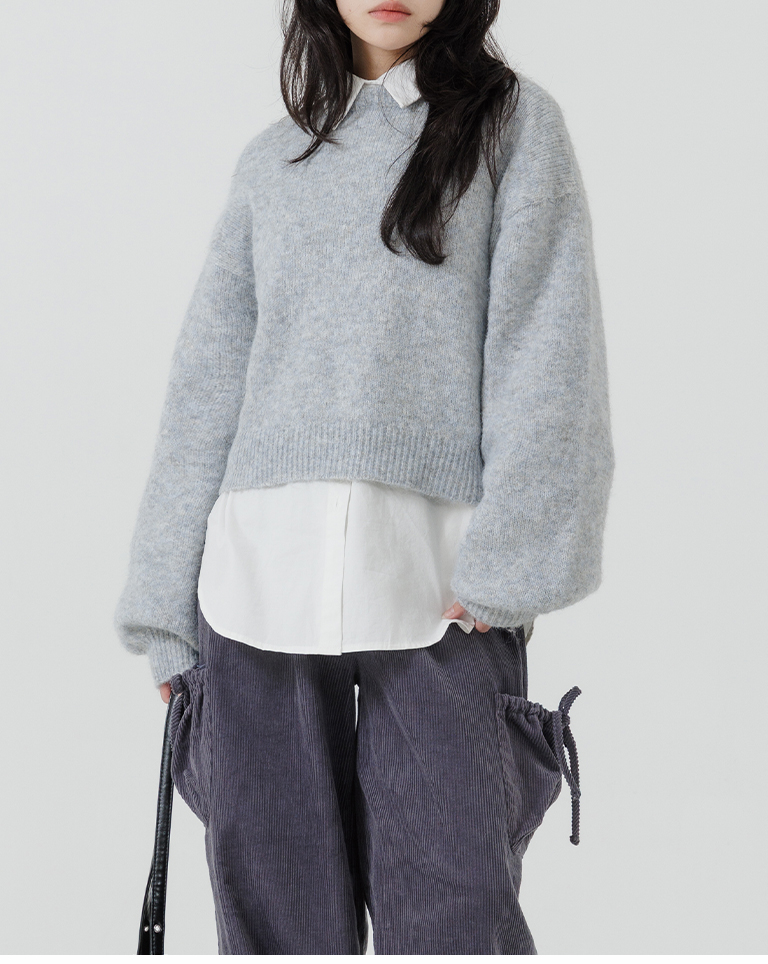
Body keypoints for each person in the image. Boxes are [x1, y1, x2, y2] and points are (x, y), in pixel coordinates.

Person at [114, 0, 614, 953]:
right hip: (255, 587)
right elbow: (207, 389)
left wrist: (513, 560)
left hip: (441, 583)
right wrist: (163, 611)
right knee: (276, 922)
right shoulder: (272, 162)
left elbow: (549, 349)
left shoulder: (511, 126)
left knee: (456, 905)